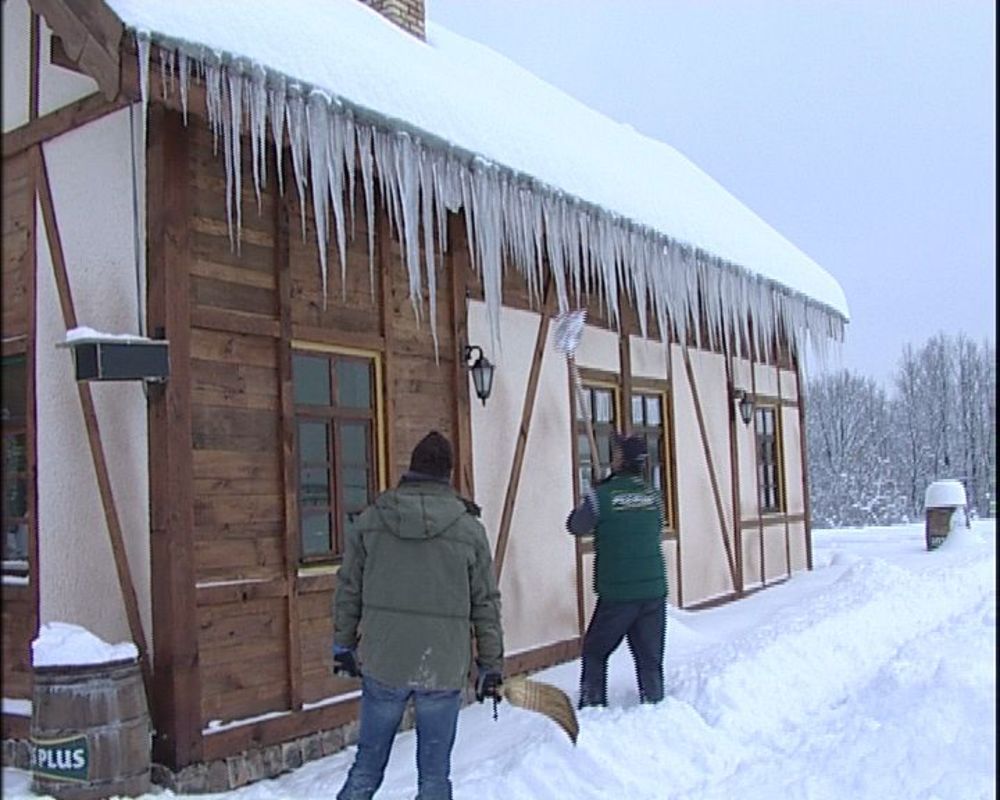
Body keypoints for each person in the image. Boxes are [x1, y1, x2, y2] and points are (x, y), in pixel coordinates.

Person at [332, 430, 504, 800]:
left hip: (385, 660)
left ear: (412, 467)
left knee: (366, 768)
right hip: (441, 666)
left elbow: (348, 588)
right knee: (434, 778)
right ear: (448, 474)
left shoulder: (373, 519)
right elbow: (486, 603)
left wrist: (343, 644)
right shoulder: (469, 529)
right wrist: (490, 664)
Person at [565, 432, 667, 709]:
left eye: (616, 452)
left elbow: (575, 526)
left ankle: (593, 707)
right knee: (650, 660)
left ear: (620, 459)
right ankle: (656, 706)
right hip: (654, 591)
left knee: (595, 652)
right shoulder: (653, 496)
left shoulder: (601, 497)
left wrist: (592, 495)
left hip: (619, 593)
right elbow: (655, 527)